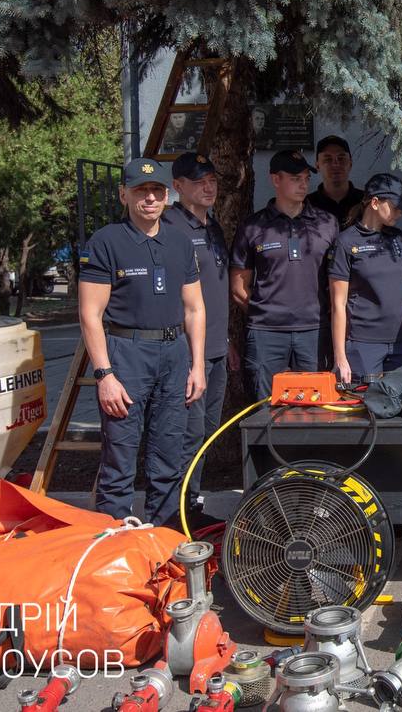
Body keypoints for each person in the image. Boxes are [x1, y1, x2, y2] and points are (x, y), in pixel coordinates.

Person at [78, 158, 206, 527]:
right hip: (126, 354)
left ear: (167, 196)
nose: (149, 198)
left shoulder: (180, 242)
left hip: (174, 354)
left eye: (156, 191)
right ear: (124, 195)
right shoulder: (106, 242)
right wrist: (105, 375)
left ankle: (164, 538)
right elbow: (90, 315)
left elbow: (195, 308)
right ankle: (113, 542)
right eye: (140, 191)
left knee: (169, 454)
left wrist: (197, 365)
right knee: (120, 454)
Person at [230, 148, 340, 400]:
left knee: (318, 406)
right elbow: (238, 287)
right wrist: (267, 312)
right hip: (266, 334)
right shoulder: (253, 226)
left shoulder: (327, 223)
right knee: (265, 408)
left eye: (305, 178)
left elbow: (339, 280)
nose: (302, 185)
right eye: (294, 179)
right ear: (275, 180)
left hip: (315, 330)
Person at [161, 152, 231, 527]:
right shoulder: (170, 227)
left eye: (213, 180)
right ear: (178, 186)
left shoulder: (211, 226)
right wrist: (192, 357)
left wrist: (228, 342)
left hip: (217, 349)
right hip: (190, 352)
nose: (209, 187)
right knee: (186, 434)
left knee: (204, 433)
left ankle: (193, 503)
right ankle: (174, 511)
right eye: (199, 181)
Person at [330, 173, 402, 383]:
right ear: (375, 202)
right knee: (364, 409)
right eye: (395, 207)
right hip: (363, 343)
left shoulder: (400, 239)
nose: (400, 213)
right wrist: (340, 356)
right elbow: (338, 303)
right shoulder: (346, 242)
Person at [307, 134, 365, 227]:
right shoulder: (307, 205)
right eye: (328, 159)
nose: (335, 164)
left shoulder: (366, 202)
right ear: (317, 166)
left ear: (350, 163)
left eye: (341, 158)